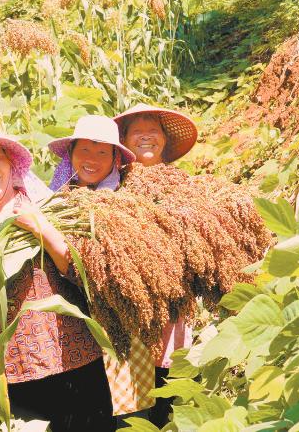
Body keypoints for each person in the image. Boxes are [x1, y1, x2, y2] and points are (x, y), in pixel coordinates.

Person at [0, 125, 115, 432]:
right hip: (10, 372)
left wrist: (41, 229)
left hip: (74, 358)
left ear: (11, 164)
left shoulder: (47, 207)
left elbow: (85, 273)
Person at [48, 115, 156, 428]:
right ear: (71, 153)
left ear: (114, 159)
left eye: (102, 152)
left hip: (121, 328)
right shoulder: (54, 201)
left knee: (128, 416)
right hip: (71, 330)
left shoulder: (125, 201)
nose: (92, 159)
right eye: (85, 150)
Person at [113, 103, 199, 428]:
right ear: (124, 141)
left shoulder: (183, 184)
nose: (146, 136)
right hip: (128, 313)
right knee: (132, 406)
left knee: (169, 397)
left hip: (174, 308)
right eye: (137, 131)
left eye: (153, 130)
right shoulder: (114, 186)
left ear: (164, 139)